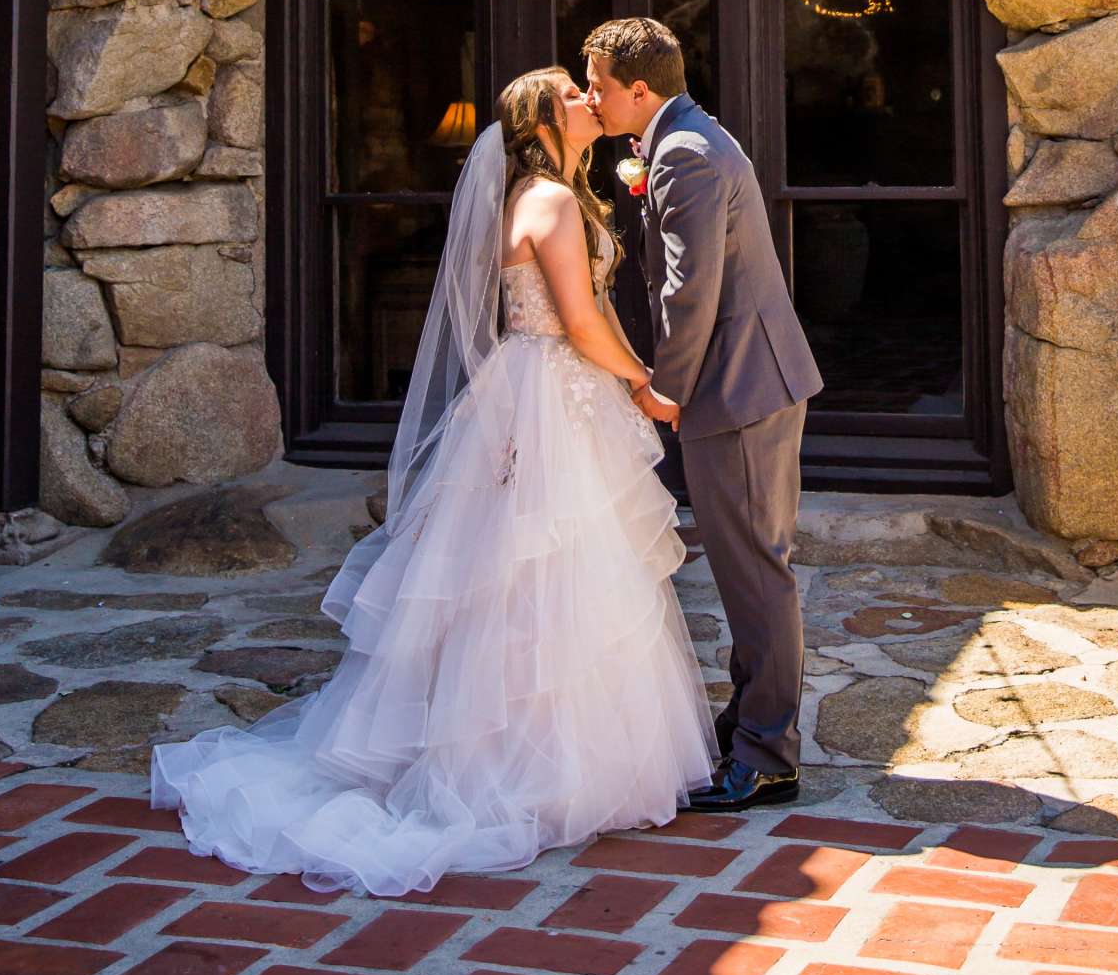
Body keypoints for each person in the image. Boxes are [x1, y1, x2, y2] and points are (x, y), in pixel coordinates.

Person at [150, 69, 716, 894]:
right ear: (544, 120)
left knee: (540, 573)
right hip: (548, 398)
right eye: (571, 91)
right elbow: (582, 320)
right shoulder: (550, 204)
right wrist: (648, 384)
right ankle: (527, 766)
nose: (589, 98)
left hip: (545, 392)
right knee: (542, 574)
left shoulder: (552, 193)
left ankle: (547, 753)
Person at [583, 18, 823, 813]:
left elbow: (690, 291)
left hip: (738, 386)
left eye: (599, 85)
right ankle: (751, 726)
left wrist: (665, 389)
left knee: (757, 574)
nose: (591, 97)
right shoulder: (685, 137)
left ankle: (766, 756)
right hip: (745, 382)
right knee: (749, 568)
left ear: (639, 90)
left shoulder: (684, 152)